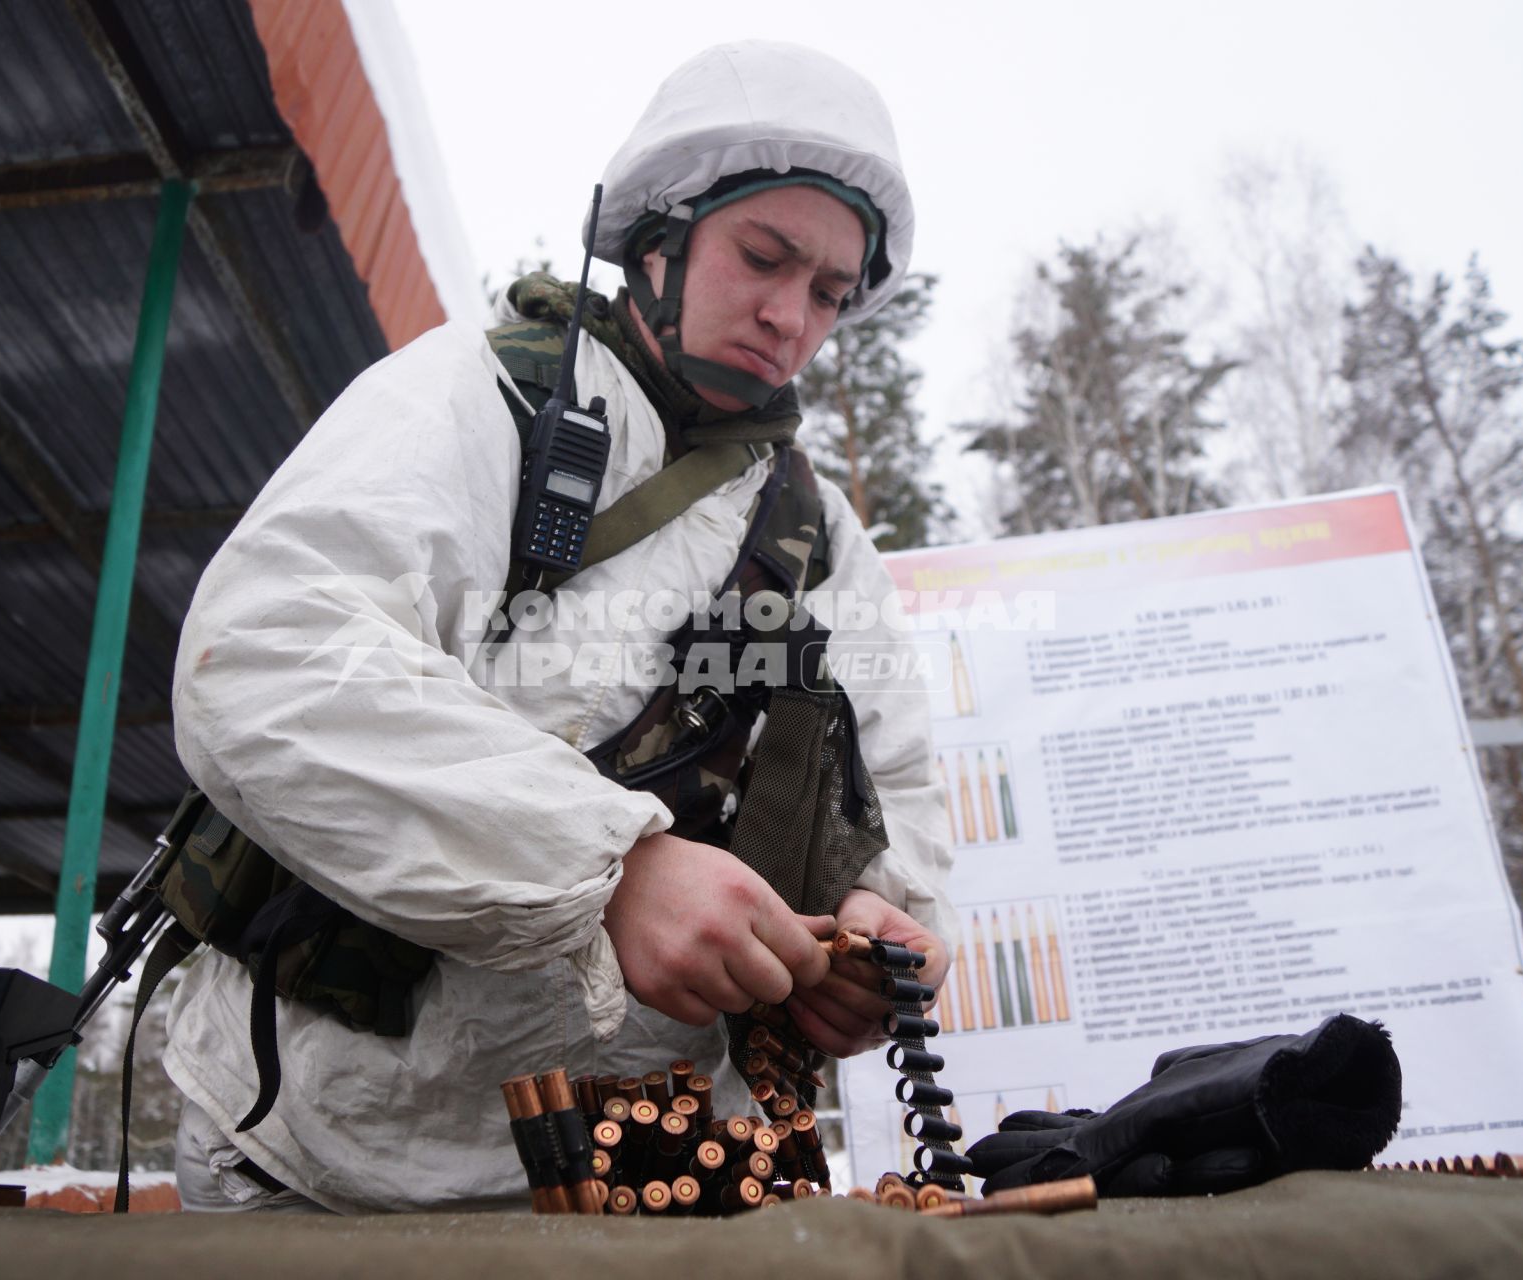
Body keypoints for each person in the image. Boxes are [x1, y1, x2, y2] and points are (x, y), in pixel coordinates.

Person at [164, 39, 956, 1213]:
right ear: (656, 240)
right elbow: (263, 658)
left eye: (830, 291)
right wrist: (609, 869)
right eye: (763, 256)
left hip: (646, 1175)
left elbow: (899, 802)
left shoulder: (823, 541)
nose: (791, 315)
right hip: (326, 1160)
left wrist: (879, 938)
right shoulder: (478, 402)